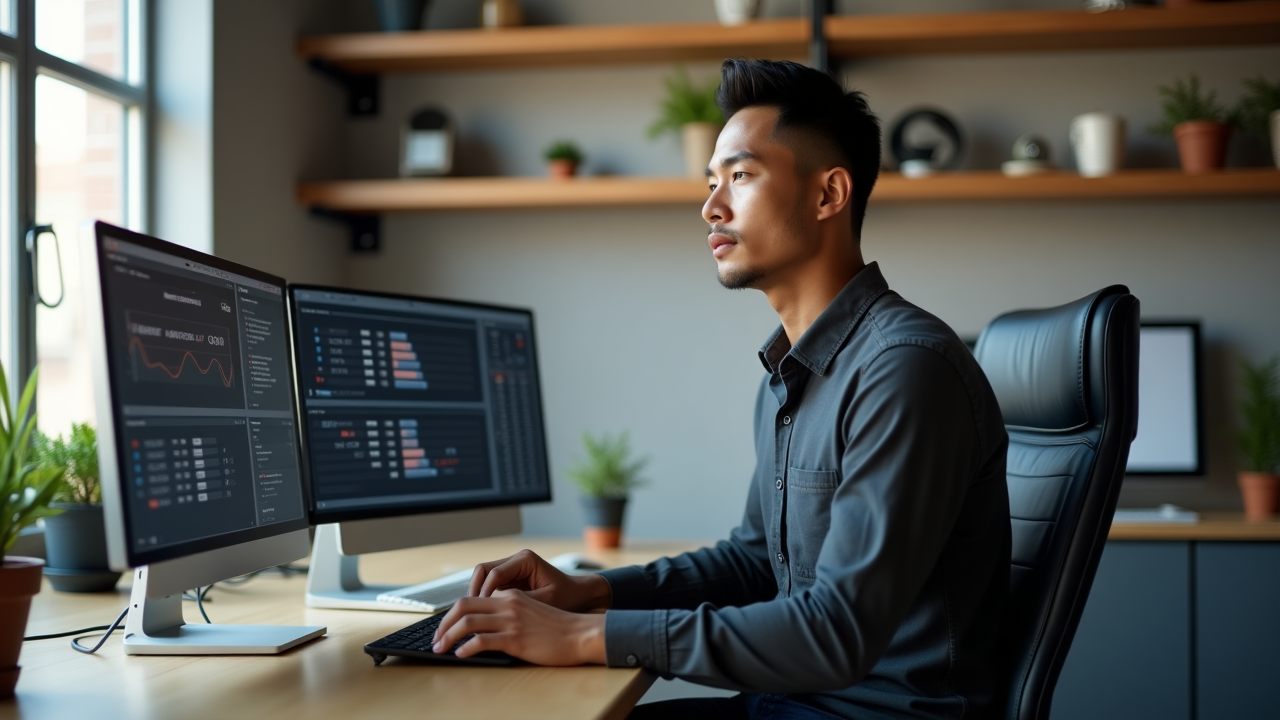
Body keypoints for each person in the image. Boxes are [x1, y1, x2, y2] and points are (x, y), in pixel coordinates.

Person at [431, 58, 1012, 720]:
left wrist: (586, 638)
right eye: (712, 182)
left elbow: (835, 633)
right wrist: (587, 595)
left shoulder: (903, 370)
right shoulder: (792, 374)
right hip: (796, 704)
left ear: (828, 195)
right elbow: (755, 564)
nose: (711, 206)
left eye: (740, 175)